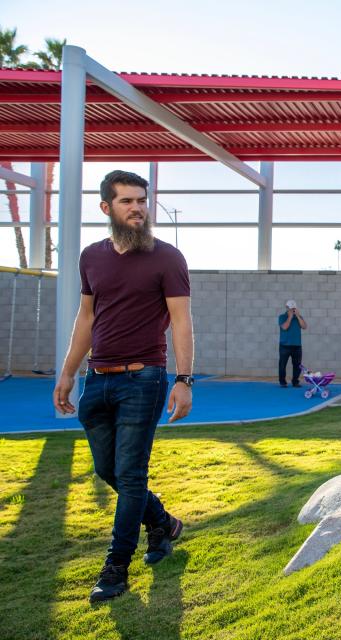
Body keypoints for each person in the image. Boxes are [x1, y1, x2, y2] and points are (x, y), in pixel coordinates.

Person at [52, 170, 194, 604]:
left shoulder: (167, 258)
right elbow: (86, 320)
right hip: (98, 379)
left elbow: (183, 322)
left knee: (130, 474)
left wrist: (183, 379)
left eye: (141, 200)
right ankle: (163, 524)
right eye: (127, 201)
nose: (137, 207)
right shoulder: (91, 257)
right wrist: (67, 371)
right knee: (107, 470)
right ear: (106, 208)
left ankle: (115, 568)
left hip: (144, 378)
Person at [278, 299, 307, 387]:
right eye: (290, 309)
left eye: (294, 309)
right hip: (284, 346)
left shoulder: (299, 317)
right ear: (287, 308)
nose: (292, 310)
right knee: (282, 365)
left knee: (297, 365)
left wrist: (297, 316)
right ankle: (283, 382)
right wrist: (290, 317)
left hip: (297, 346)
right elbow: (284, 327)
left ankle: (295, 381)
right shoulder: (282, 317)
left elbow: (304, 326)